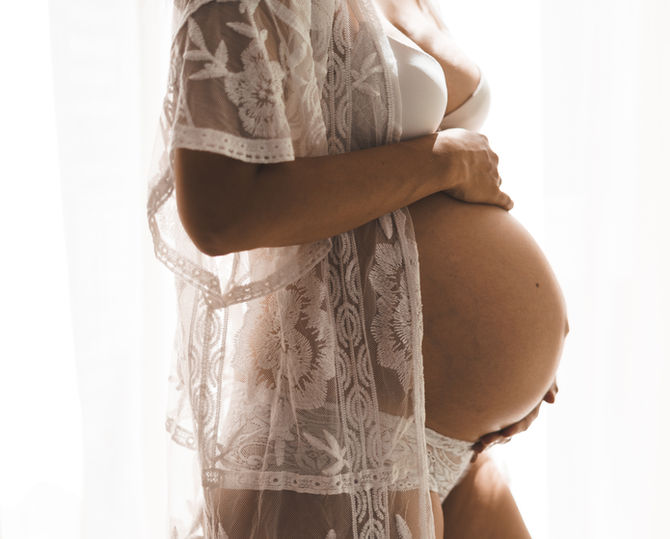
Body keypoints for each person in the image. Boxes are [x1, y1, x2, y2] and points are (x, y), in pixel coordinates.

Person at [147, 0, 567, 537]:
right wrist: (445, 162)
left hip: (453, 445)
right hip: (340, 441)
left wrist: (524, 347)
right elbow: (219, 214)